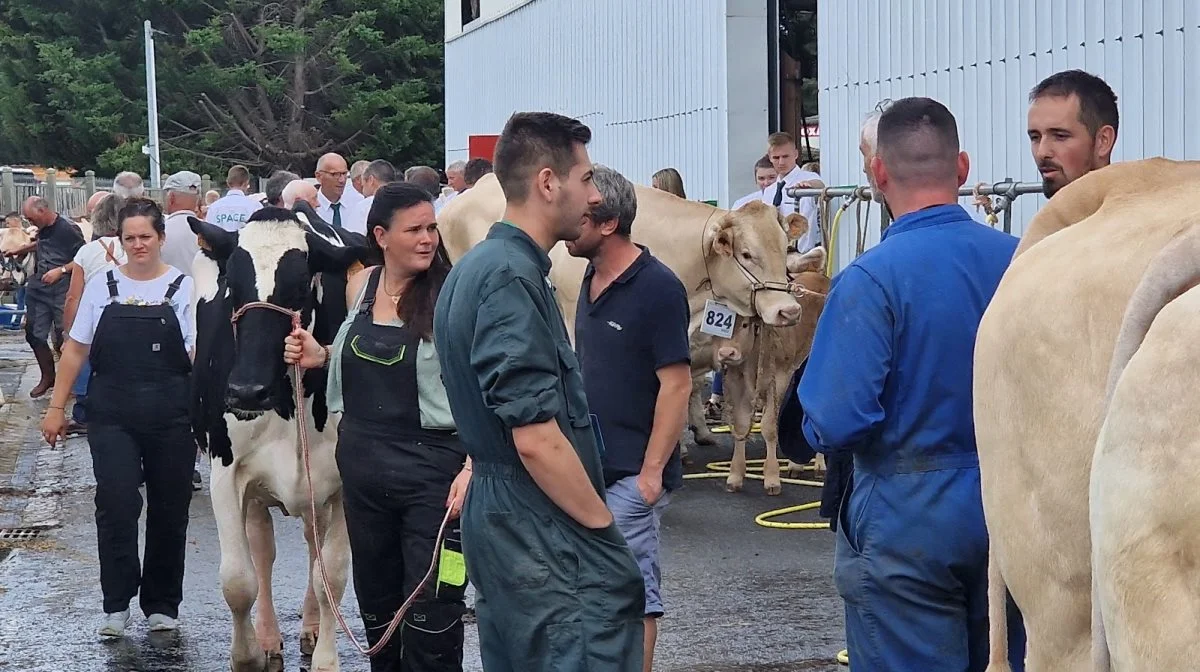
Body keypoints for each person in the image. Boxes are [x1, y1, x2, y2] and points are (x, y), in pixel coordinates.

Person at [794, 97, 1026, 671]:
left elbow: (837, 420)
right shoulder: (1026, 262)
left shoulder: (870, 280)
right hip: (1017, 504)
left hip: (907, 512)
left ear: (877, 173)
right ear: (963, 168)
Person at [432, 111, 645, 671]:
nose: (595, 196)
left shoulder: (485, 266)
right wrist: (602, 530)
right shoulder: (509, 275)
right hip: (537, 522)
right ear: (549, 183)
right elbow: (534, 437)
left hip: (513, 517)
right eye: (586, 178)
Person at [283, 182, 471, 670]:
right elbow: (353, 360)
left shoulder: (453, 295)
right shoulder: (361, 286)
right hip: (364, 471)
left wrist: (474, 465)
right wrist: (318, 355)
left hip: (434, 473)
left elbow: (483, 387)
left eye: (432, 228)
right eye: (415, 230)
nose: (428, 238)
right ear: (382, 236)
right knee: (379, 615)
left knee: (432, 614)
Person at [40, 197, 197, 638]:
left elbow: (199, 355)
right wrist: (57, 408)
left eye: (146, 236)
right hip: (113, 414)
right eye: (130, 238)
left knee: (171, 507)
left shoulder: (185, 288)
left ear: (161, 238)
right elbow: (75, 350)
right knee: (117, 501)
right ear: (120, 240)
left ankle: (163, 602)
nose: (138, 244)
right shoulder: (102, 284)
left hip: (172, 414)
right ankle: (116, 602)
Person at [566, 164, 691, 672]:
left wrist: (651, 476)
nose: (570, 225)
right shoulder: (590, 278)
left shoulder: (658, 288)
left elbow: (677, 383)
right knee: (593, 590)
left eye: (582, 216)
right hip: (594, 470)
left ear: (609, 223)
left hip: (633, 477)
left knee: (632, 591)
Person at [61, 192, 128, 436]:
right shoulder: (136, 246)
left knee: (86, 362)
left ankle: (83, 414)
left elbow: (73, 296)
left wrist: (69, 332)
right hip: (129, 314)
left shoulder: (86, 253)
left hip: (96, 318)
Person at [13, 196, 85, 396]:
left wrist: (60, 270)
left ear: (43, 211)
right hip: (39, 288)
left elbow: (83, 259)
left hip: (63, 290)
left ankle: (70, 383)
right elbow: (42, 244)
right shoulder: (42, 229)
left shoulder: (69, 230)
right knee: (33, 333)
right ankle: (47, 377)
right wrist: (22, 249)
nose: (30, 223)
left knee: (66, 337)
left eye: (31, 218)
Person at [1027, 69, 1119, 197]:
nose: (1042, 153)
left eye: (1060, 136)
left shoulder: (1141, 215)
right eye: (1035, 137)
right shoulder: (1052, 217)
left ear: (1103, 141)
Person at [204, 165, 261, 231]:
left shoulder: (213, 208)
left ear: (228, 183)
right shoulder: (255, 206)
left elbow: (207, 234)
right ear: (246, 183)